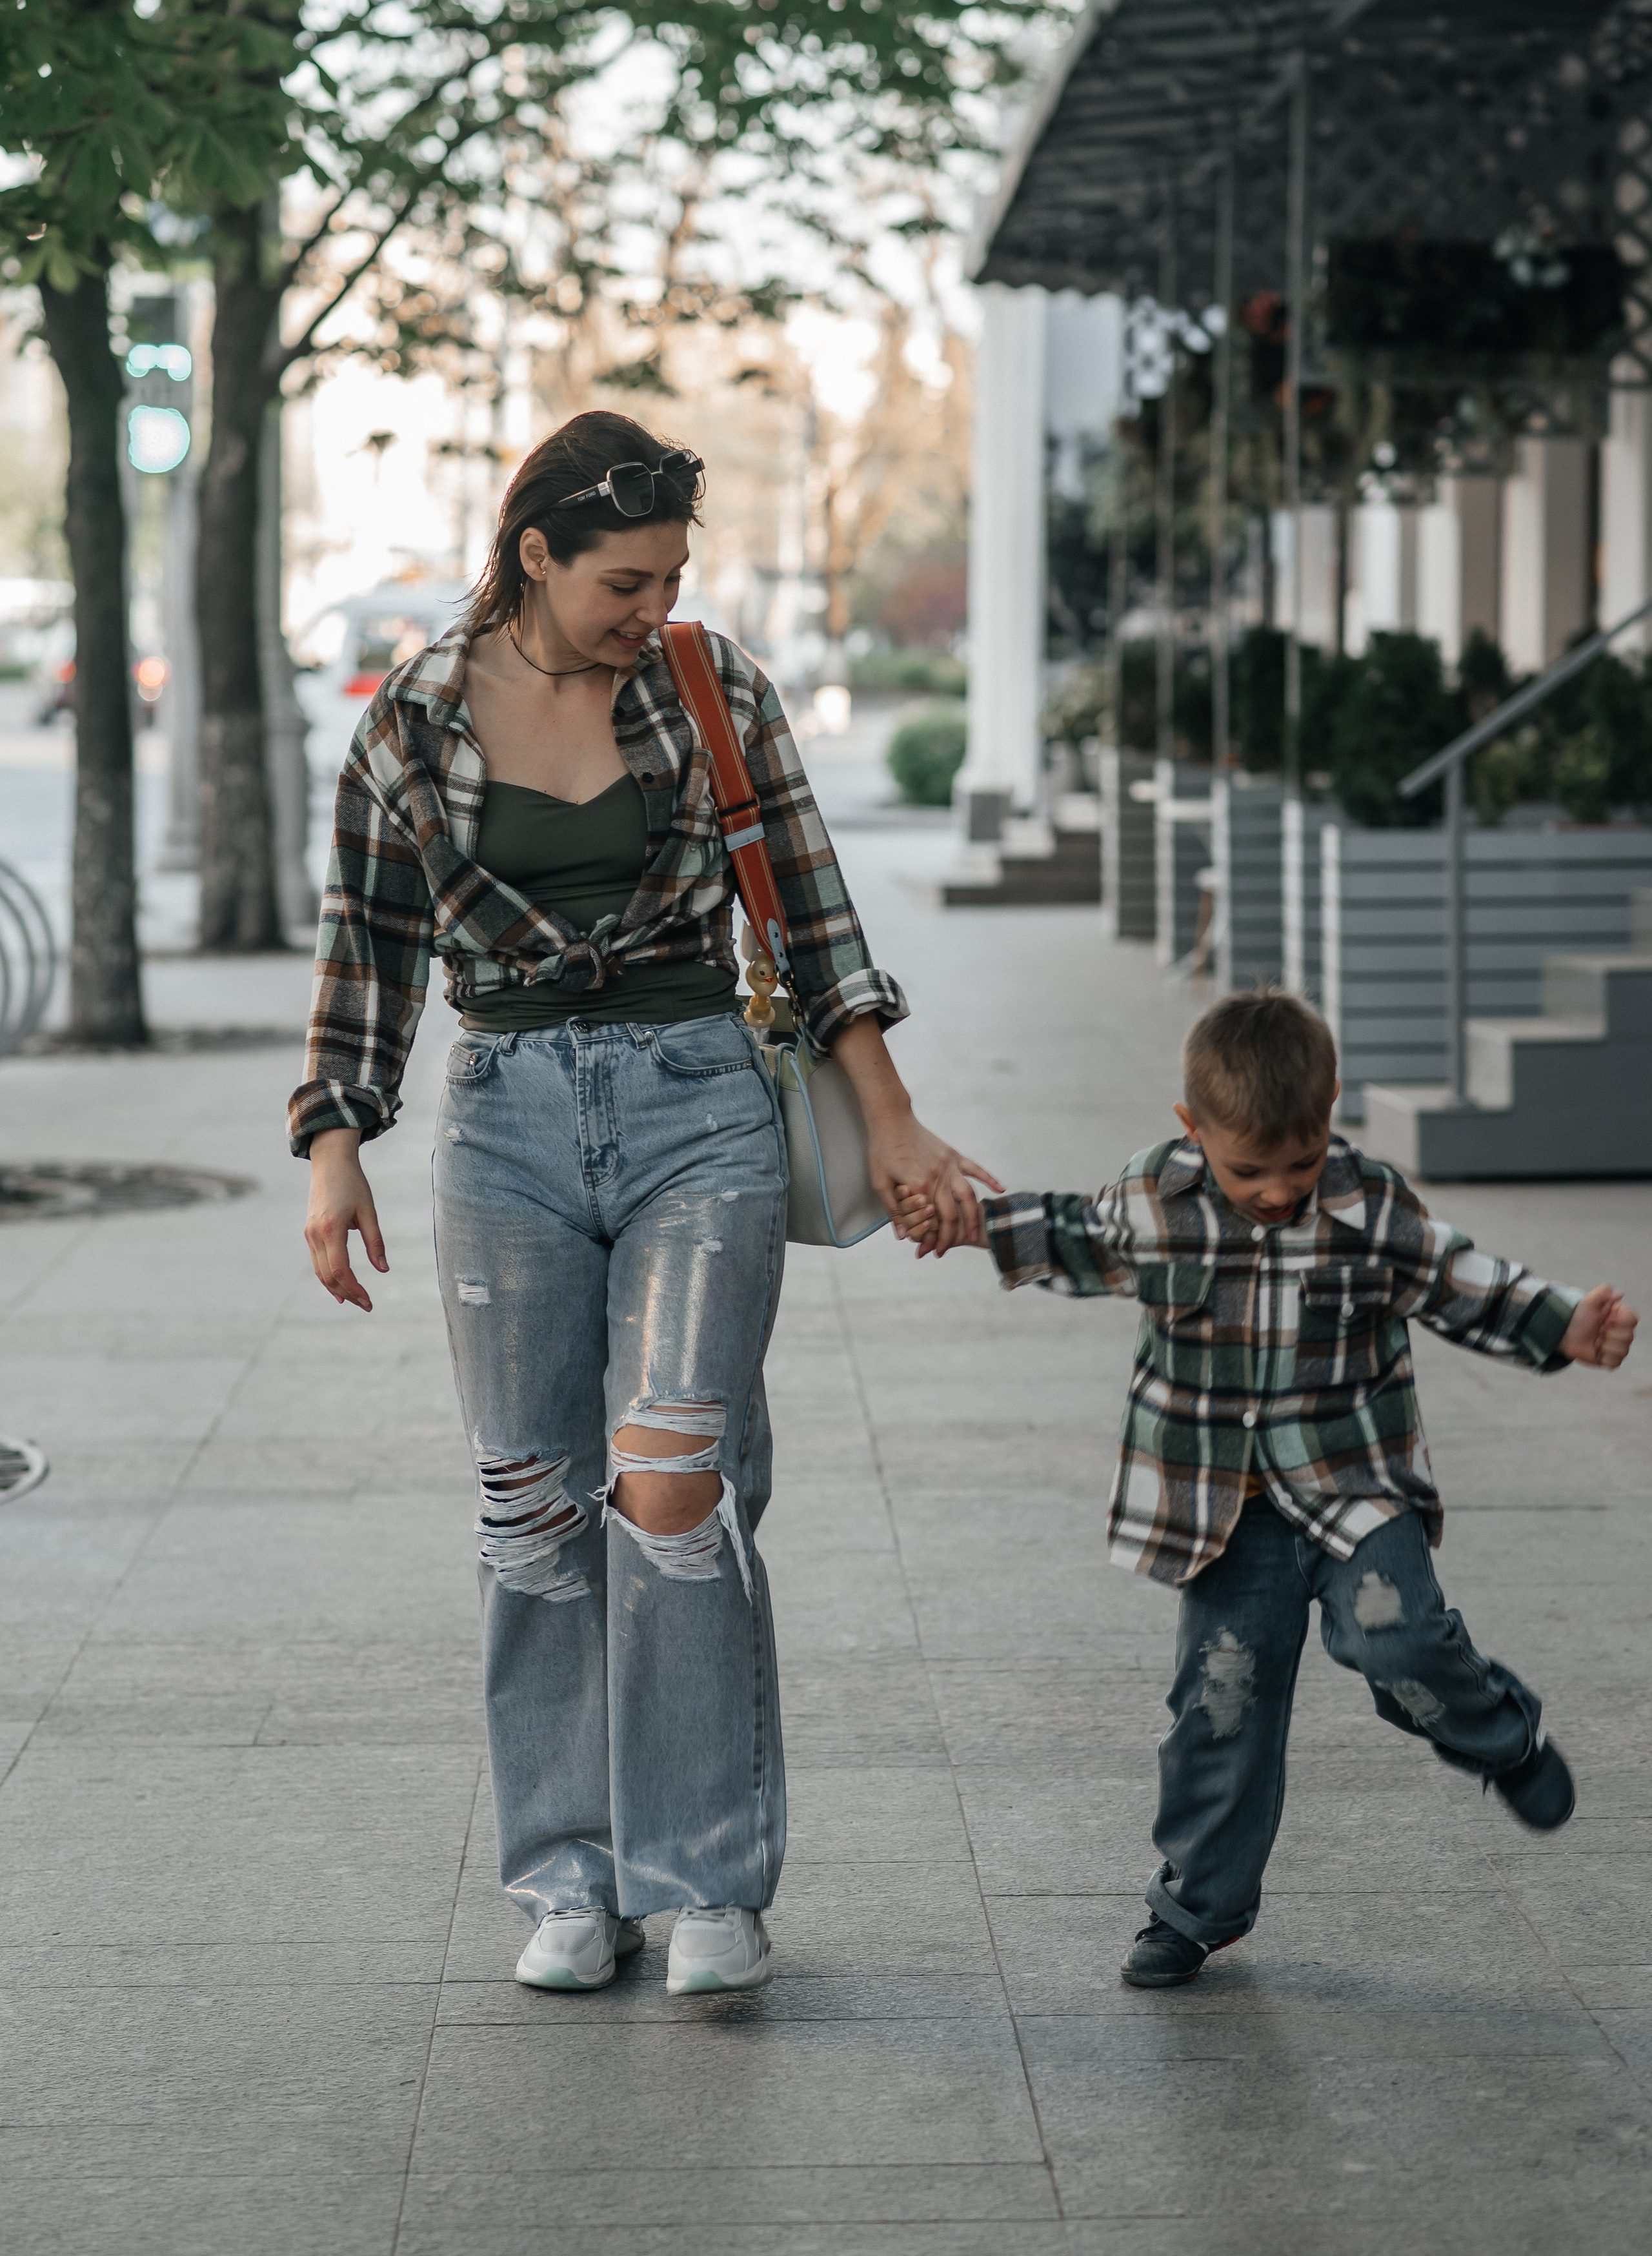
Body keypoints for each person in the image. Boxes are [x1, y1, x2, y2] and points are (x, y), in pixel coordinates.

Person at [290, 409, 992, 1997]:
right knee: (530, 1506)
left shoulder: (708, 685)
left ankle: (707, 1876)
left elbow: (811, 912)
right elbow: (366, 942)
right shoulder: (412, 714)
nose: (652, 608)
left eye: (672, 576)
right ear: (533, 555)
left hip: (697, 1105)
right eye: (624, 581)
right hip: (503, 1124)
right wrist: (335, 1145)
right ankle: (570, 1875)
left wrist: (890, 1122)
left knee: (674, 1490)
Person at [897, 987, 1637, 1989]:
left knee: (1398, 1642)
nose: (1280, 1191)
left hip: (1355, 1490)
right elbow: (1073, 1232)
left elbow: (1460, 1280)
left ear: (1330, 1112)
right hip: (1223, 1512)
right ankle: (1197, 1907)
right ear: (1192, 1127)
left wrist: (1564, 1324)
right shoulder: (1157, 1196)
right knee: (1222, 1705)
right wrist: (970, 1222)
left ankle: (1502, 1741)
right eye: (1250, 1171)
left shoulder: (1370, 1205)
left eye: (1302, 1162)